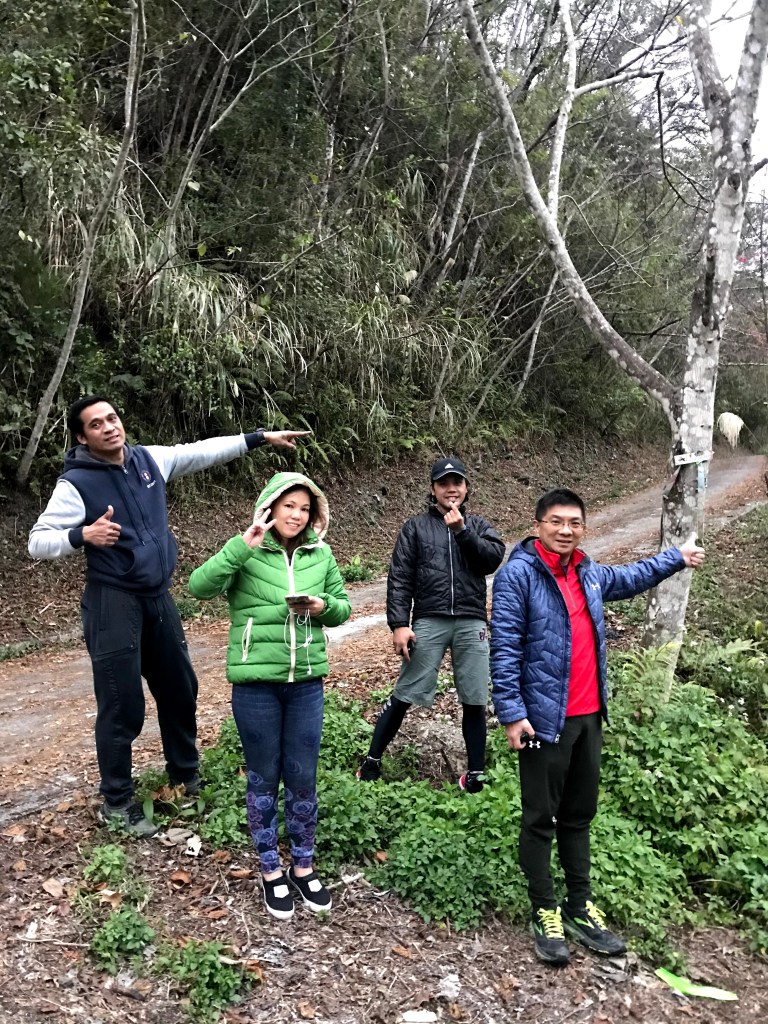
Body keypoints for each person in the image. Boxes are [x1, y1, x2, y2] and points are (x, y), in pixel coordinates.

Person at [28, 395, 310, 838]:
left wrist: (259, 438)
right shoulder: (76, 484)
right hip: (112, 600)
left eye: (113, 417)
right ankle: (117, 799)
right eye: (96, 424)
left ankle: (185, 776)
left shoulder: (149, 461)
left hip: (157, 596)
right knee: (123, 704)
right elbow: (37, 542)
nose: (109, 427)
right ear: (83, 436)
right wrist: (82, 534)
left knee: (180, 689)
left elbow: (200, 451)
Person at [490, 488, 705, 966]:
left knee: (578, 815)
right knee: (538, 817)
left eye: (574, 523)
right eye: (556, 522)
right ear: (538, 524)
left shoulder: (588, 571)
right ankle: (544, 908)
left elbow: (631, 576)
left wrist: (676, 557)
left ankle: (579, 906)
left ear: (582, 528)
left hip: (588, 716)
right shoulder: (517, 577)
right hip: (543, 718)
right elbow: (503, 649)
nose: (566, 530)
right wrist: (511, 712)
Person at [188, 472, 350, 920]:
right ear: (270, 507)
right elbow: (198, 587)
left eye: (304, 508)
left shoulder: (323, 554)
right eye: (288, 506)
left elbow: (343, 607)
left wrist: (322, 608)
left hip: (306, 685)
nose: (296, 515)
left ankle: (302, 866)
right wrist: (243, 545)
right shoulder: (246, 548)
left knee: (303, 777)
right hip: (255, 686)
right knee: (263, 776)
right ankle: (269, 871)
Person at [357, 457, 505, 791]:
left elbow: (491, 559)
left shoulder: (478, 525)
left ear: (466, 488)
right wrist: (398, 623)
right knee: (405, 691)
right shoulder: (415, 528)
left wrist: (462, 532)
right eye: (443, 483)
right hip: (429, 619)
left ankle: (476, 774)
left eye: (457, 483)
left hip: (471, 621)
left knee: (475, 696)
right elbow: (399, 578)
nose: (451, 488)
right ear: (433, 489)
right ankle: (371, 762)